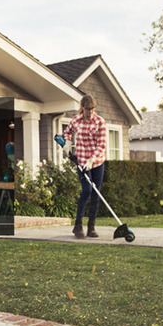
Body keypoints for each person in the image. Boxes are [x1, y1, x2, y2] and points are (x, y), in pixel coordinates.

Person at [63, 95, 107, 239]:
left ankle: (91, 227)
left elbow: (101, 145)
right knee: (87, 191)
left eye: (92, 109)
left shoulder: (100, 122)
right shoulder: (75, 120)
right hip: (82, 161)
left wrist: (92, 160)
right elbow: (67, 132)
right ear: (82, 107)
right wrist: (67, 143)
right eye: (87, 109)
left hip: (97, 162)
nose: (90, 112)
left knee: (96, 194)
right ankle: (78, 225)